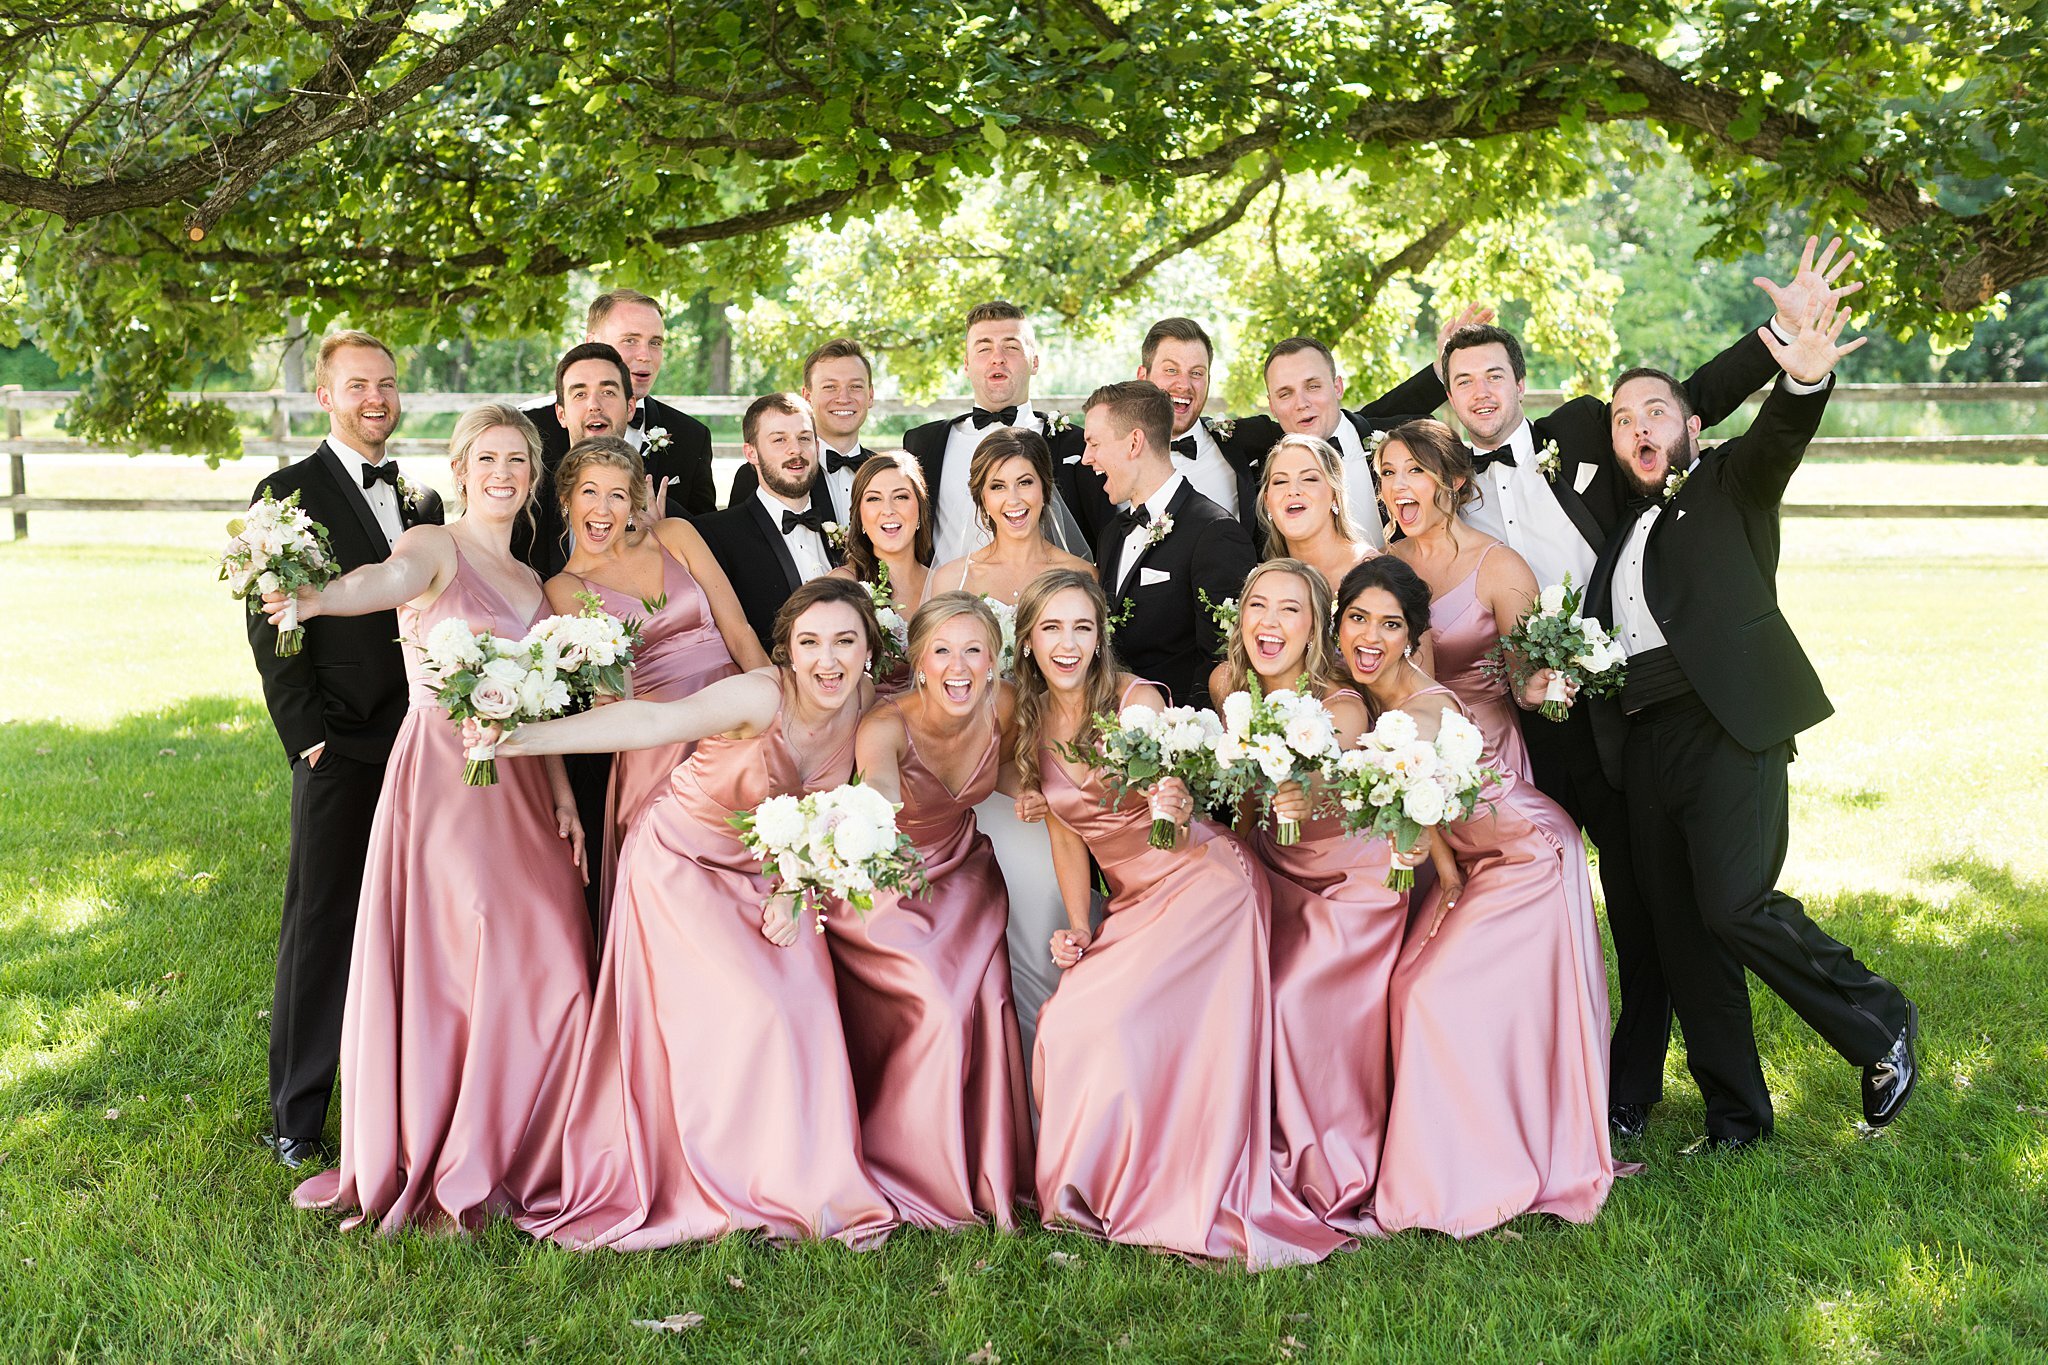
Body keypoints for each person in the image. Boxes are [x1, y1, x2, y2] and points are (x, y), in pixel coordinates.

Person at [1436, 237, 1861, 1141]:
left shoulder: (1590, 429)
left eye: (1493, 377)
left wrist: (1780, 334)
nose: (1479, 394)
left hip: (1630, 711)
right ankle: (1539, 1070)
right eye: (1460, 380)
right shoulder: (1445, 483)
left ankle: (1636, 1084)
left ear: (1521, 382)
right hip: (1528, 722)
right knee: (1544, 900)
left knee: (1648, 906)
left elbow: (1685, 407)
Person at [1586, 296, 1918, 1150]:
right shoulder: (1621, 535)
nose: (1637, 425)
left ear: (1692, 425)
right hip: (1646, 742)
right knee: (1686, 933)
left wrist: (1801, 376)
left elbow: (1781, 438)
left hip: (1727, 722)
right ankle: (1737, 1117)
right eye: (1622, 418)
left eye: (1655, 409)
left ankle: (1877, 1019)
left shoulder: (1730, 483)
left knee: (1734, 904)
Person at [266, 403, 593, 1230]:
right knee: (467, 942)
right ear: (459, 469)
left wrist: (560, 791)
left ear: (533, 475)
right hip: (446, 780)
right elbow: (381, 584)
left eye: (518, 459)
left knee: (553, 945)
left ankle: (529, 1137)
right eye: (487, 457)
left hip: (521, 782)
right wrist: (315, 600)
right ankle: (452, 1137)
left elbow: (539, 698)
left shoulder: (530, 581)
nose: (503, 472)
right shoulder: (430, 544)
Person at [499, 578, 898, 1249]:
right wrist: (520, 737)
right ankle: (730, 1184)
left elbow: (852, 808)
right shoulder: (759, 695)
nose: (827, 660)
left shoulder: (868, 710)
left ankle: (806, 1186)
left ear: (869, 651)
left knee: (806, 1000)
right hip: (680, 858)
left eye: (845, 642)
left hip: (771, 871)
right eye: (810, 643)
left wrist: (797, 887)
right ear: (788, 652)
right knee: (756, 1007)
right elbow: (651, 722)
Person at [1015, 569, 1345, 1268]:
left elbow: (1181, 781)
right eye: (1051, 628)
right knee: (1069, 1022)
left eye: (1082, 627)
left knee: (1125, 1024)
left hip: (1205, 886)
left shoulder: (1135, 699)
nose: (1067, 643)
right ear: (1027, 642)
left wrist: (1174, 794)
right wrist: (1081, 924)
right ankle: (1092, 1189)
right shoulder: (1029, 718)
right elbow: (1068, 833)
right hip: (1132, 900)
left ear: (1102, 635)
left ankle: (1176, 1183)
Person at [1335, 556, 1617, 1237]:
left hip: (1528, 856)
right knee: (1405, 984)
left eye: (1390, 624)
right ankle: (1452, 1156)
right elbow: (1426, 808)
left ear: (1413, 636)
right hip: (1477, 860)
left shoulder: (1423, 710)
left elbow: (1415, 796)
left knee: (1434, 995)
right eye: (1357, 619)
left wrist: (1434, 867)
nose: (1370, 636)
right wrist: (1451, 879)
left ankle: (1473, 1179)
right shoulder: (1379, 701)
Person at [245, 329, 448, 1172]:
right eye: (359, 384)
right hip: (342, 744)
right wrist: (310, 740)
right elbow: (268, 624)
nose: (377, 398)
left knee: (415, 925)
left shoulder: (426, 499)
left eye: (389, 384)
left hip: (425, 742)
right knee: (322, 923)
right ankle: (297, 1113)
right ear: (325, 395)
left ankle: (402, 1097)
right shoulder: (284, 492)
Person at [1206, 559, 1413, 1236]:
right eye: (1257, 605)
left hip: (1350, 876)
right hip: (1272, 871)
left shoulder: (1341, 701)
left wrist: (1308, 785)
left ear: (1316, 624)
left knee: (1293, 995)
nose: (1270, 622)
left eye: (1290, 609)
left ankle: (1326, 1167)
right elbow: (1241, 805)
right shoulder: (1226, 687)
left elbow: (1336, 765)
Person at [827, 593, 1033, 1229]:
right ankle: (915, 1171)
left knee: (987, 992)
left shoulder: (1002, 705)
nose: (959, 665)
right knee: (939, 1005)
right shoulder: (885, 726)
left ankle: (986, 1168)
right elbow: (881, 789)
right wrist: (880, 812)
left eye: (974, 650)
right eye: (942, 651)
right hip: (888, 882)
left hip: (964, 873)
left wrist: (1036, 793)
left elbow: (995, 770)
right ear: (917, 661)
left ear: (996, 660)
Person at [544, 437, 767, 919]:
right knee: (679, 891)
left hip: (734, 720)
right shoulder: (563, 588)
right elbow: (609, 697)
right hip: (656, 743)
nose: (602, 508)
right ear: (567, 499)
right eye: (589, 492)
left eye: (617, 495)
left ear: (633, 503)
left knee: (755, 863)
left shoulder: (675, 535)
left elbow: (739, 630)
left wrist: (779, 708)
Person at [928, 425, 1095, 1061]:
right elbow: (934, 691)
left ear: (1046, 489)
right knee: (972, 949)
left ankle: (1049, 1086)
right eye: (998, 486)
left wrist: (1047, 780)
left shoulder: (1079, 573)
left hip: (1046, 792)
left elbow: (1090, 689)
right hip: (973, 788)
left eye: (1025, 482)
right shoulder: (951, 579)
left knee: (1042, 939)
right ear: (981, 498)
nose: (1014, 497)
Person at [1137, 310, 1484, 528]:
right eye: (1285, 393)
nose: (1301, 404)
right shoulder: (1257, 447)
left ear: (1338, 387)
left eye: (1313, 386)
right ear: (1272, 405)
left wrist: (1441, 372)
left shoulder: (1394, 441)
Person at [1377, 419, 1556, 779]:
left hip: (1488, 755)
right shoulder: (1381, 567)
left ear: (1455, 479)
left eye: (1416, 469)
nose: (1398, 485)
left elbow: (1522, 682)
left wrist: (1534, 689)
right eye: (1387, 472)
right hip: (1405, 757)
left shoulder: (1500, 567)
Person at [1083, 379, 1256, 710]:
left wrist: (1178, 741)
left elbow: (1223, 662)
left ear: (1134, 442)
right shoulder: (1111, 535)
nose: (1086, 458)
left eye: (1094, 443)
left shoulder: (1215, 532)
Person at [901, 300, 1100, 560]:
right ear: (966, 365)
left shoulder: (1077, 444)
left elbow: (1103, 536)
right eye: (984, 348)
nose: (998, 358)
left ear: (1035, 362)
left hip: (1045, 598)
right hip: (948, 597)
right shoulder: (923, 443)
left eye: (1011, 347)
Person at [525, 288, 717, 525]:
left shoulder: (692, 437)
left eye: (655, 342)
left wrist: (667, 532)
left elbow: (706, 532)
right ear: (592, 342)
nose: (645, 355)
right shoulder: (529, 429)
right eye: (630, 340)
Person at [693, 392, 840, 654]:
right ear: (752, 453)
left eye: (804, 438)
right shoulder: (715, 535)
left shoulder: (844, 527)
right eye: (779, 440)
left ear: (817, 447)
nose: (795, 449)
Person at [514, 341, 634, 576]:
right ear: (561, 414)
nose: (594, 405)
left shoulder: (659, 506)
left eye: (607, 392)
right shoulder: (526, 501)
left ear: (630, 408)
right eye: (580, 394)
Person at [728, 337, 877, 521]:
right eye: (830, 387)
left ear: (870, 395)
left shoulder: (885, 472)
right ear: (807, 396)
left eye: (855, 386)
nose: (843, 398)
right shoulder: (759, 475)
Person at [825, 450, 935, 696]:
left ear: (920, 509)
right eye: (874, 499)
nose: (888, 510)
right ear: (860, 516)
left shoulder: (944, 583)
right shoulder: (842, 587)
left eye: (901, 497)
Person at [1254, 432, 1379, 593]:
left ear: (1335, 495)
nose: (1292, 490)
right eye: (1280, 481)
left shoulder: (1373, 572)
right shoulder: (1262, 583)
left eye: (1309, 479)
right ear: (1267, 502)